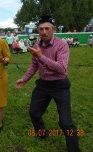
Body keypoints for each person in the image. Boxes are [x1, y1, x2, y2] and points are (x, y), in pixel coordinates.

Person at [15, 16, 80, 152]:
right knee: (34, 112)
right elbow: (34, 65)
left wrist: (41, 56)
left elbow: (62, 69)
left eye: (47, 28)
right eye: (41, 29)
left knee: (65, 122)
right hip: (43, 85)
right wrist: (25, 79)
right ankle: (41, 133)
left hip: (60, 85)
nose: (43, 32)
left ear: (54, 30)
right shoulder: (37, 44)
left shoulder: (61, 44)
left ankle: (74, 149)